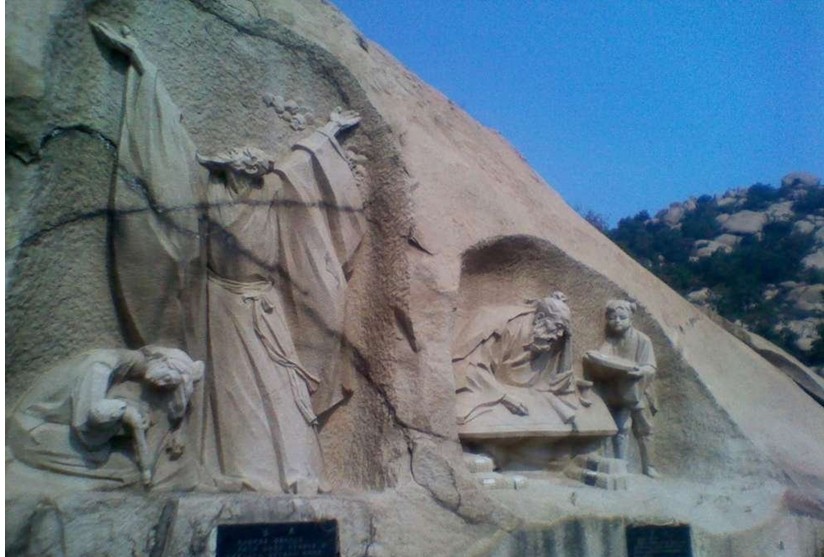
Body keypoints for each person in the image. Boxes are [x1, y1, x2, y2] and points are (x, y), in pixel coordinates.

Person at [90, 21, 364, 493]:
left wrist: (331, 130)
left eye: (254, 171)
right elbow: (172, 149)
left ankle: (297, 470)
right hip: (219, 307)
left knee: (284, 390)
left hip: (266, 307)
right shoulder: (205, 190)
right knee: (233, 393)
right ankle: (238, 471)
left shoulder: (273, 190)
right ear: (226, 169)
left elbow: (301, 164)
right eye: (241, 170)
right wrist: (144, 67)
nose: (248, 176)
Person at [7, 347, 205, 489]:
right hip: (31, 433)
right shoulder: (100, 366)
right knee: (126, 470)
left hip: (45, 429)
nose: (161, 385)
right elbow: (85, 425)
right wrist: (125, 412)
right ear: (160, 360)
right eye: (166, 380)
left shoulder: (120, 368)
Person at [452, 292, 592, 426]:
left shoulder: (550, 338)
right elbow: (469, 368)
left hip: (527, 398)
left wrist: (568, 340)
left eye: (563, 330)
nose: (559, 334)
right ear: (540, 318)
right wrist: (504, 398)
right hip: (491, 393)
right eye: (558, 326)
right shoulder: (507, 328)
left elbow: (560, 385)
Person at [594, 299, 659, 477]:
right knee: (621, 428)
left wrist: (640, 371)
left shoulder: (642, 340)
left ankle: (649, 466)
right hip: (620, 391)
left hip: (639, 391)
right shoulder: (611, 341)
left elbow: (650, 366)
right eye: (612, 318)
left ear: (631, 319)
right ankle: (621, 464)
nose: (617, 321)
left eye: (622, 317)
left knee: (645, 429)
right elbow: (601, 357)